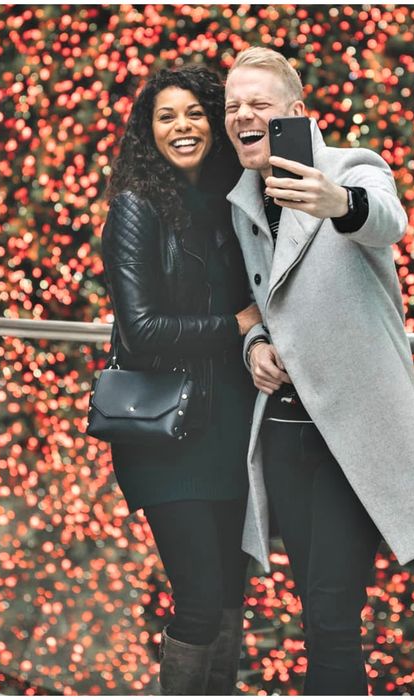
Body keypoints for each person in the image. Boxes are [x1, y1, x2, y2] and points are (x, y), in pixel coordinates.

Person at [222, 47, 414, 694]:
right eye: (232, 106)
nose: (242, 115)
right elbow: (245, 295)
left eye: (258, 104)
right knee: (314, 609)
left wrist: (337, 202)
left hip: (350, 441)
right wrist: (253, 343)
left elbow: (385, 221)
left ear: (296, 113)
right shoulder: (240, 198)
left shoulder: (350, 167)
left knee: (332, 616)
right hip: (281, 434)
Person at [100, 65, 260, 694]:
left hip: (232, 425)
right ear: (149, 131)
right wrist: (237, 324)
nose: (182, 127)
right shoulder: (137, 206)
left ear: (216, 123)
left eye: (194, 113)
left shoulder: (236, 200)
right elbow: (140, 330)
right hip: (169, 435)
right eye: (166, 116)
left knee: (229, 599)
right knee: (197, 601)